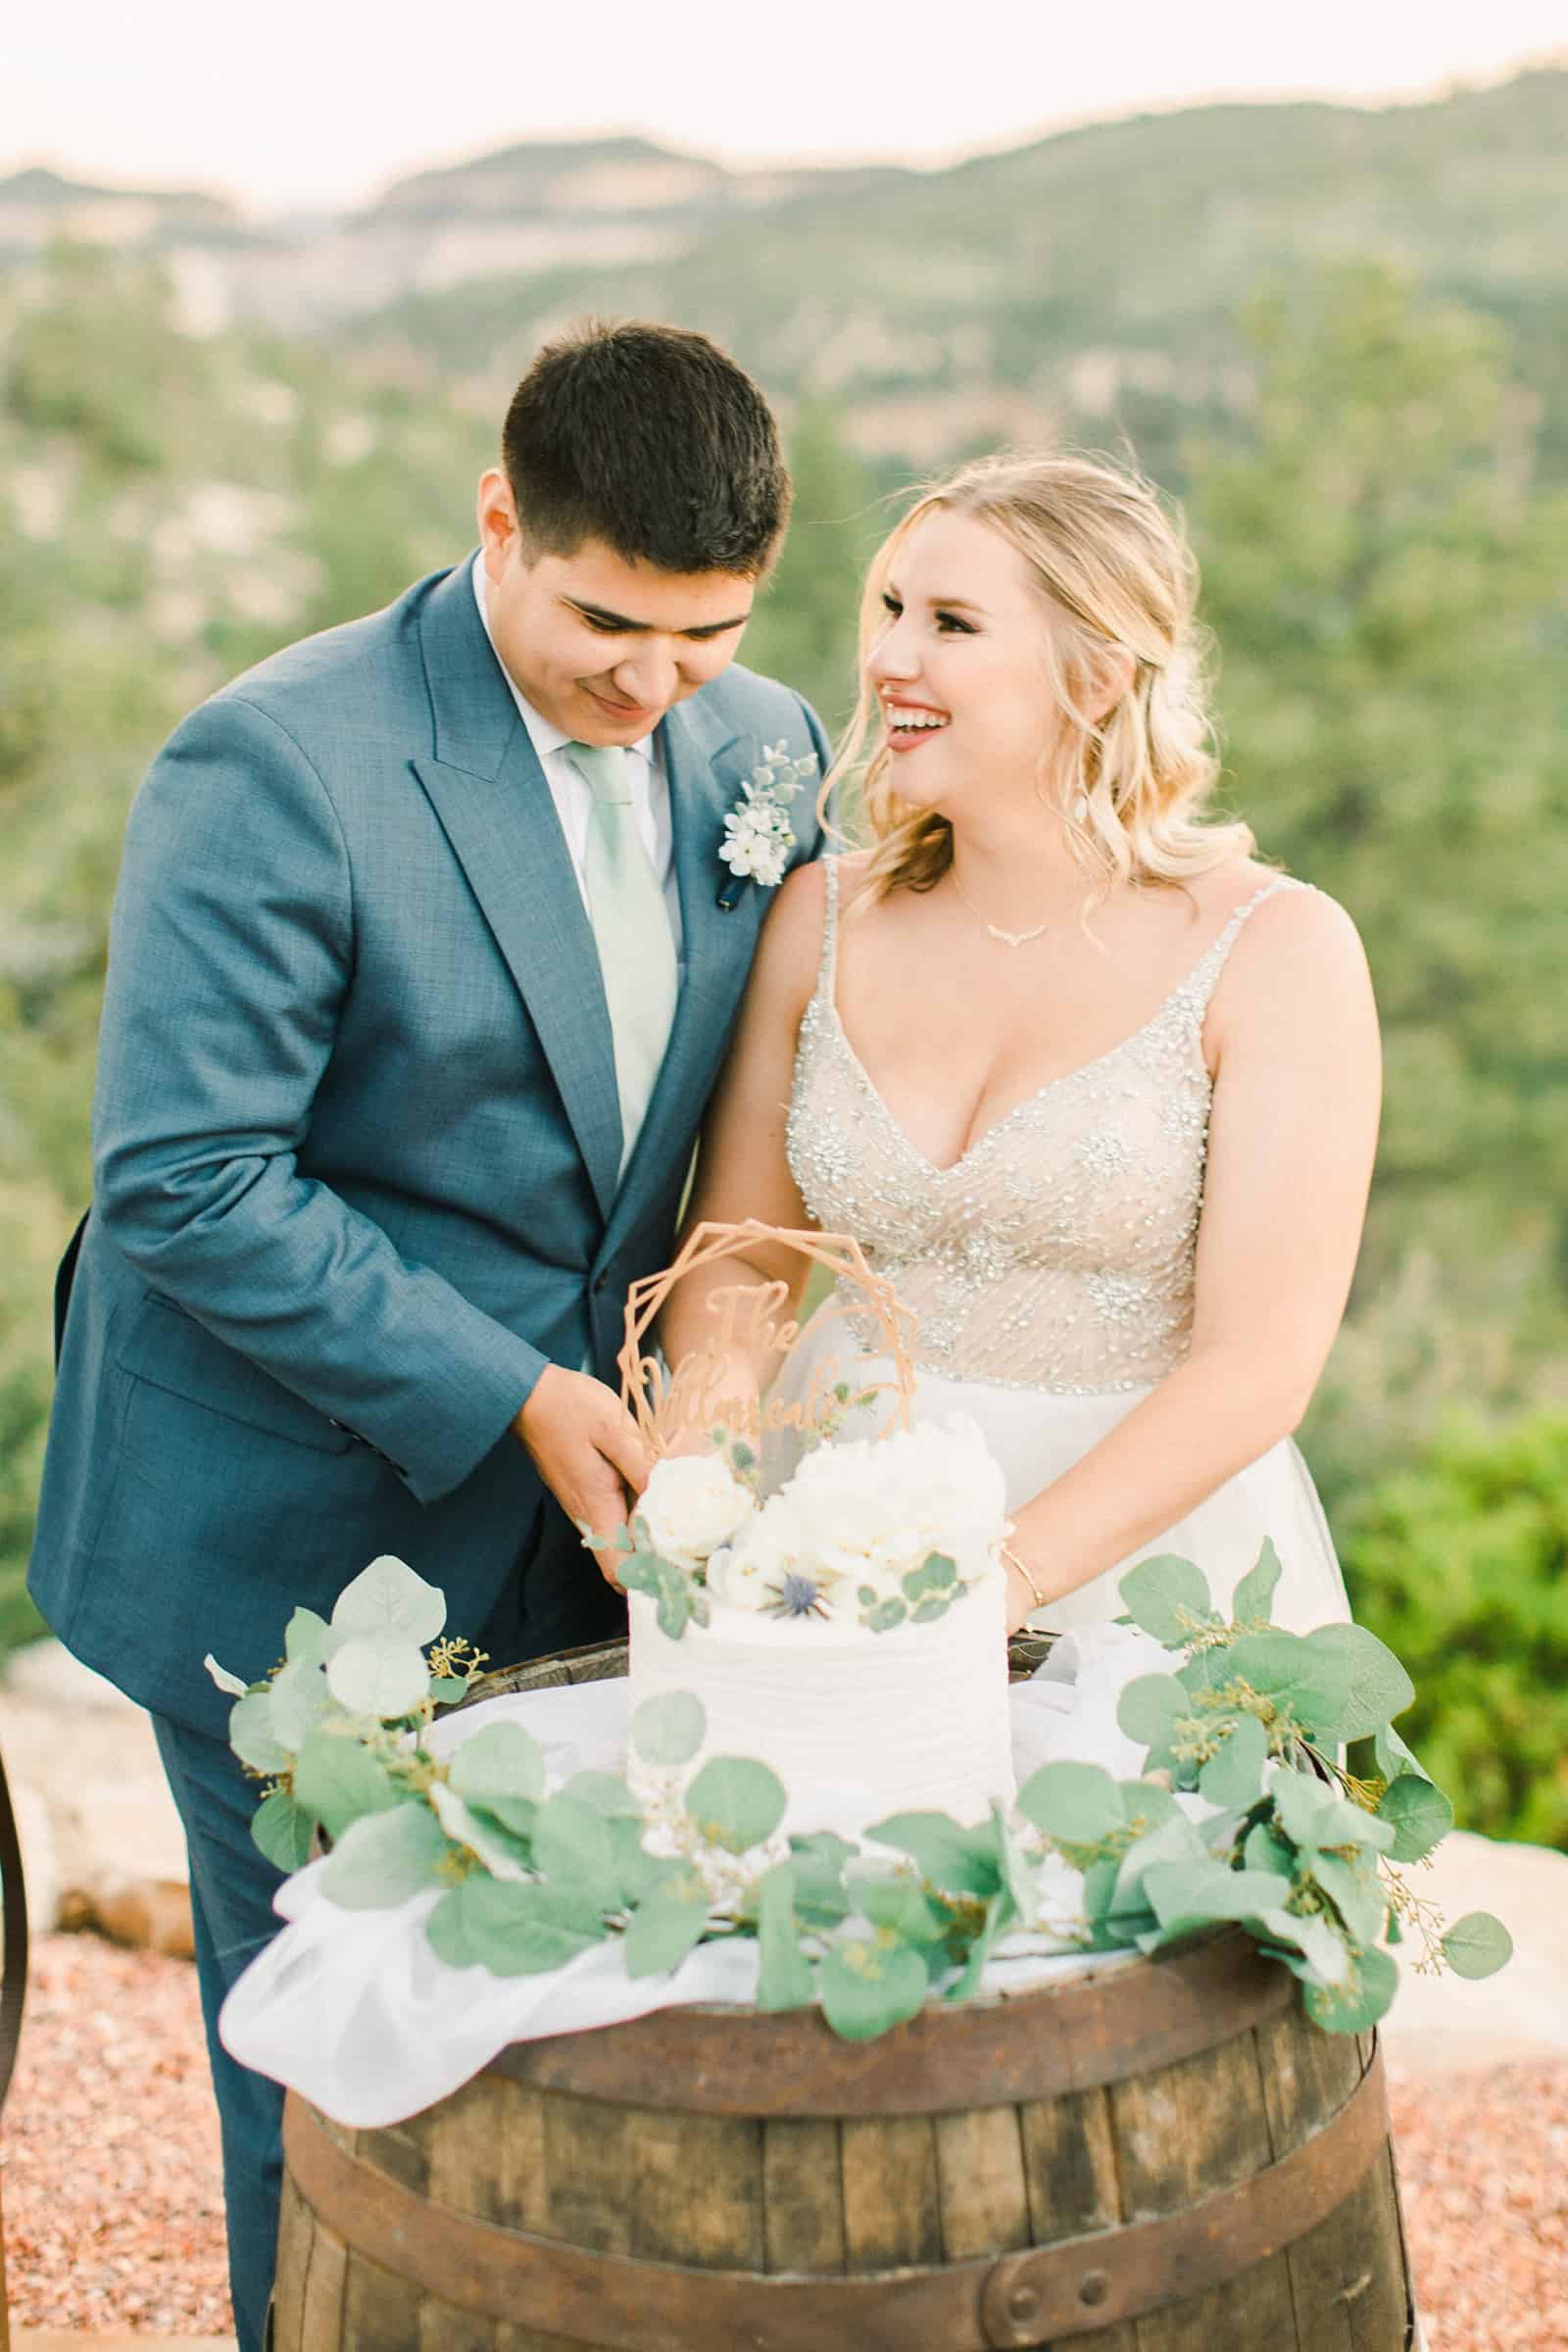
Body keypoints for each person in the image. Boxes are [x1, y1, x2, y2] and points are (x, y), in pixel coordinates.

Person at [26, 319, 825, 2352]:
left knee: (576, 2042)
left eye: (707, 633)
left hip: (602, 1525)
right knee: (326, 2070)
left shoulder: (769, 752)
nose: (656, 691)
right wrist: (511, 1392)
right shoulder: (276, 762)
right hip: (285, 1519)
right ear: (497, 519)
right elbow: (184, 1179)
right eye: (606, 628)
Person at [656, 450, 1379, 1685]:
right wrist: (697, 1498)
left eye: (949, 623)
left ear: (1094, 676)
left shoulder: (1275, 949)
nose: (888, 660)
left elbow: (1257, 1364)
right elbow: (745, 1266)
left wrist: (987, 1587)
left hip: (1133, 1576)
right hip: (822, 1527)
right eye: (889, 610)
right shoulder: (816, 920)